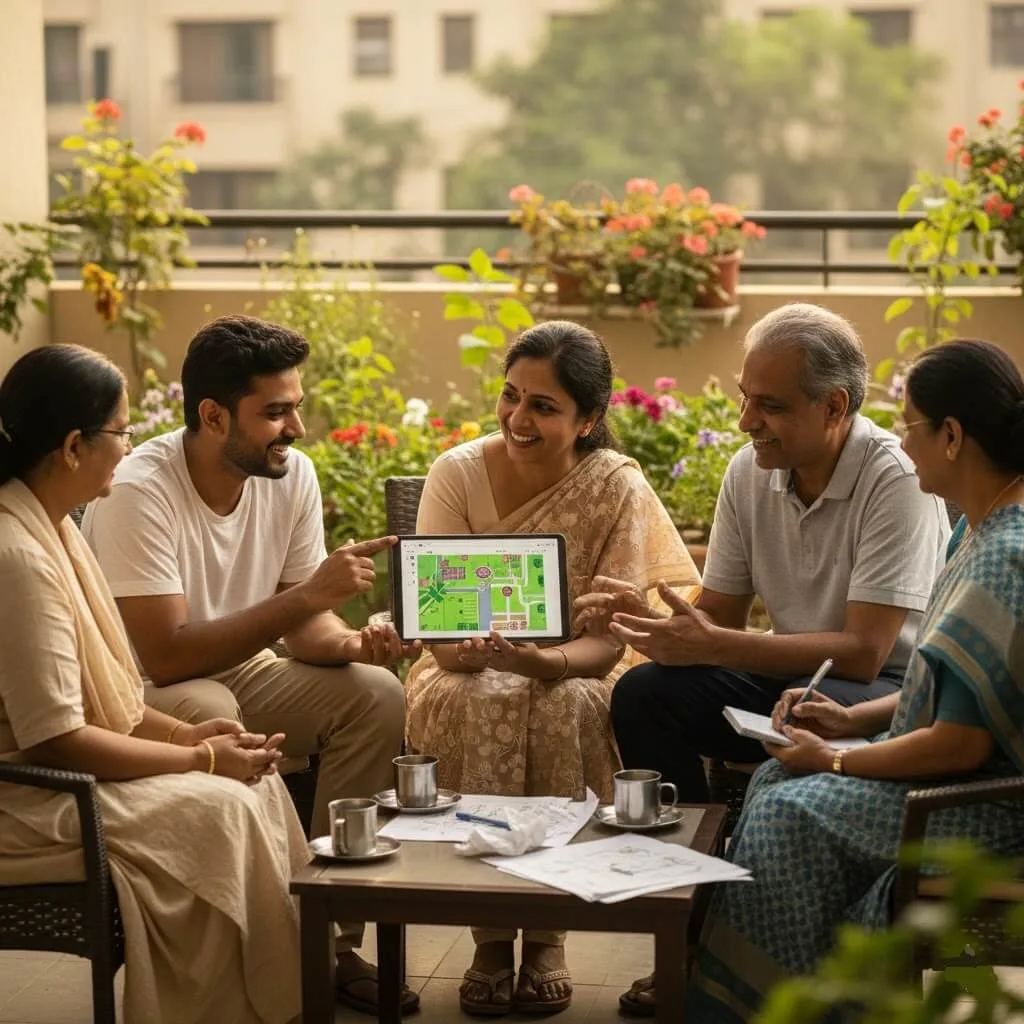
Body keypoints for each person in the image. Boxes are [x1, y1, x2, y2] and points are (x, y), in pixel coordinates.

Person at [577, 303, 951, 1015]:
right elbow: (716, 614)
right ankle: (691, 925)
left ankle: (732, 938)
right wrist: (648, 620)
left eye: (769, 405)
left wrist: (714, 644)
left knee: (777, 723)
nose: (747, 420)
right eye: (744, 397)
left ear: (834, 406)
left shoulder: (892, 479)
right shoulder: (753, 470)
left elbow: (869, 652)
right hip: (785, 679)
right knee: (646, 694)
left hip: (881, 697)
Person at [82, 314, 420, 1016]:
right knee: (211, 709)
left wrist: (351, 644)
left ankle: (330, 939)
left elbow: (303, 626)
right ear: (212, 415)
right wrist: (309, 597)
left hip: (242, 667)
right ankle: (253, 939)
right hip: (143, 694)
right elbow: (165, 654)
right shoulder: (141, 489)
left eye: (295, 406)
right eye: (275, 412)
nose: (295, 427)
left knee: (375, 695)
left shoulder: (287, 474)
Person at [685, 337, 1024, 1023]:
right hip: (954, 779)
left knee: (790, 813)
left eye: (912, 428)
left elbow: (960, 746)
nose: (904, 445)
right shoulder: (978, 530)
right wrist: (855, 720)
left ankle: (761, 1007)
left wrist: (837, 758)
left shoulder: (1005, 556)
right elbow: (955, 687)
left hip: (988, 808)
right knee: (775, 778)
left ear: (952, 436)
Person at [0, 344, 306, 1024]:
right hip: (26, 801)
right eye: (123, 431)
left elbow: (109, 696)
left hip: (61, 775)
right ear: (75, 446)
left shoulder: (53, 527)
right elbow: (56, 739)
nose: (131, 445)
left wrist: (189, 733)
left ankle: (279, 997)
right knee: (220, 805)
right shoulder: (17, 554)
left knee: (254, 783)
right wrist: (199, 759)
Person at [403, 320, 701, 1016]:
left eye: (544, 405)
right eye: (511, 396)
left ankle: (545, 933)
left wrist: (548, 662)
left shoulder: (614, 486)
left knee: (563, 703)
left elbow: (611, 640)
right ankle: (487, 930)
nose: (518, 418)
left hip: (579, 668)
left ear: (590, 419)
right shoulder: (458, 472)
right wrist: (475, 655)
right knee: (484, 697)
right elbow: (439, 635)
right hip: (460, 669)